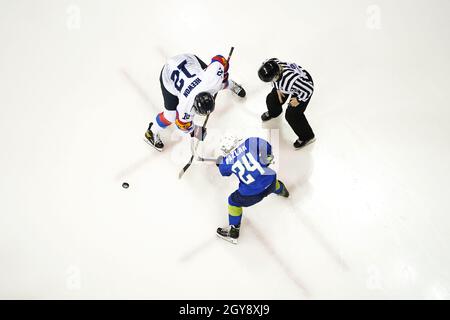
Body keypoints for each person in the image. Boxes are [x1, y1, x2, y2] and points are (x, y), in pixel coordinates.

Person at [145, 53, 246, 151]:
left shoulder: (210, 81)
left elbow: (219, 59)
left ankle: (232, 85)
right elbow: (182, 125)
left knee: (220, 82)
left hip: (188, 60)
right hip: (168, 74)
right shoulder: (185, 106)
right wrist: (195, 131)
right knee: (170, 115)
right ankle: (151, 132)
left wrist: (224, 71)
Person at [215, 136, 289, 244]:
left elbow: (224, 172)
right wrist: (266, 158)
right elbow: (267, 146)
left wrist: (220, 163)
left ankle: (233, 231)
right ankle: (282, 191)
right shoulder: (250, 142)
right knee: (270, 181)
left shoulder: (226, 162)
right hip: (270, 182)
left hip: (250, 195)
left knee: (233, 201)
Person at [258, 58, 315, 149]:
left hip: (302, 88)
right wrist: (277, 88)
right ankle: (274, 112)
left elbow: (308, 89)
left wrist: (298, 100)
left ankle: (307, 136)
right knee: (272, 99)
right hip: (284, 84)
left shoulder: (291, 80)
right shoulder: (271, 62)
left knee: (292, 115)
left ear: (276, 75)